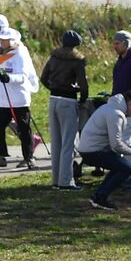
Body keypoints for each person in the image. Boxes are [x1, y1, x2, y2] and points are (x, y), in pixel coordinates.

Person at [0, 27, 39, 169]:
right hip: (1, 100)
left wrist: (9, 78)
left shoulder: (20, 54)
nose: (2, 42)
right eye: (1, 40)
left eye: (5, 40)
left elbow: (23, 77)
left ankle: (29, 158)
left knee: (24, 129)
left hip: (18, 100)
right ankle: (0, 157)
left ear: (12, 41)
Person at [74, 83, 131, 211]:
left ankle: (99, 195)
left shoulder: (110, 107)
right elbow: (116, 144)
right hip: (92, 151)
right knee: (126, 169)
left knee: (119, 166)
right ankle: (100, 197)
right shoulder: (116, 114)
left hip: (88, 149)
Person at [39, 29, 88, 188]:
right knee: (68, 142)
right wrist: (82, 98)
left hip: (53, 99)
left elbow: (43, 78)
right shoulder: (78, 60)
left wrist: (54, 87)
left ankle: (56, 180)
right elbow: (83, 84)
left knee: (56, 142)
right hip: (68, 101)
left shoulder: (54, 56)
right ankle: (66, 181)